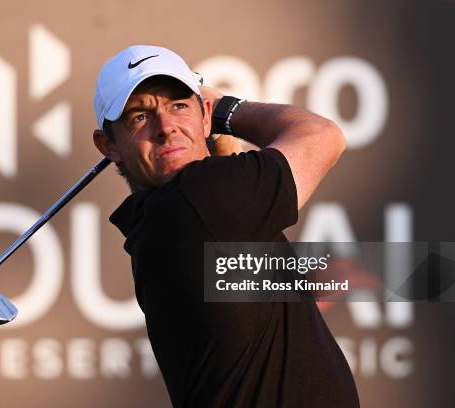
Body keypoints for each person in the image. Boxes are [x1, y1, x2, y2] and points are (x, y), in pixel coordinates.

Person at [92, 45, 359, 407]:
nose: (166, 128)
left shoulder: (156, 220)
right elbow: (322, 136)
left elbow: (225, 193)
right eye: (139, 117)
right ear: (108, 145)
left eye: (178, 106)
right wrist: (224, 109)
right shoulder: (198, 199)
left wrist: (213, 132)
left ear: (200, 116)